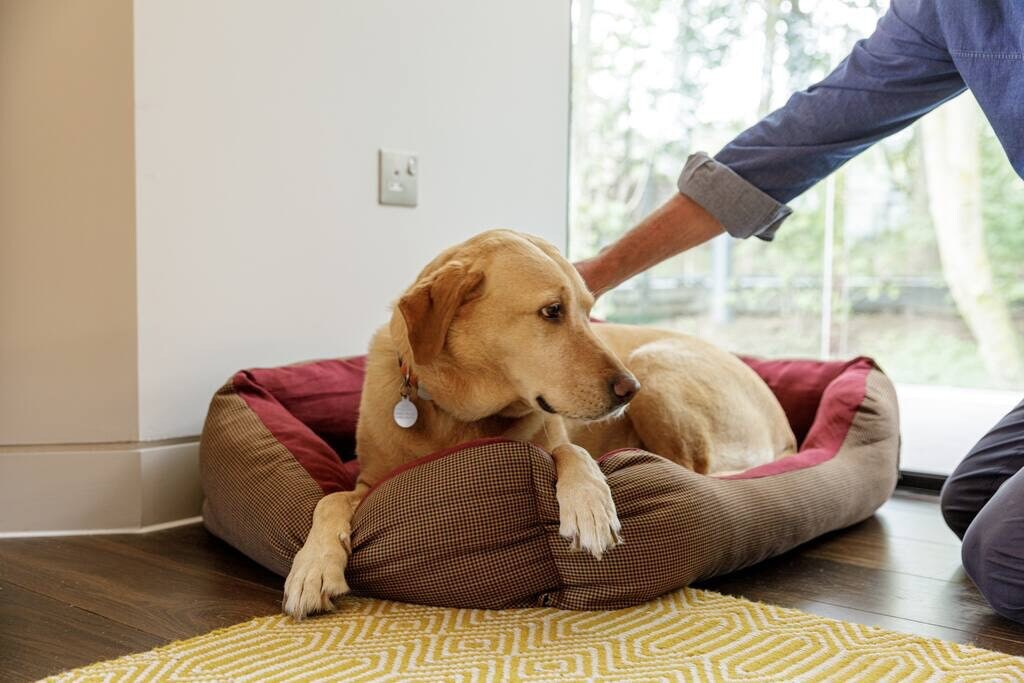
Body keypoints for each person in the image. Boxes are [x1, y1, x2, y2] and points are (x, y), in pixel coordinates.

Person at [574, 0, 1024, 624]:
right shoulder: (948, 12)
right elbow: (796, 139)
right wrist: (594, 274)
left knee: (1006, 559)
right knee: (970, 502)